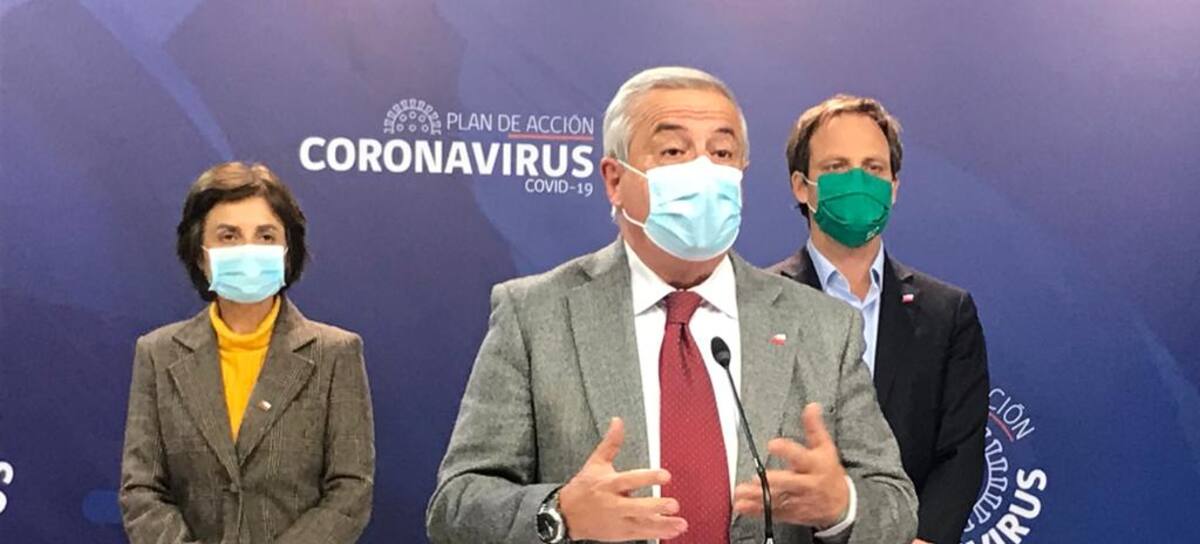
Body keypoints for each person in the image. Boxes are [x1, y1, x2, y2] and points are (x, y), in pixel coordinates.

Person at [427, 67, 916, 544]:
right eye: (674, 151)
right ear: (615, 180)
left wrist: (842, 507)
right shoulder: (535, 315)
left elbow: (895, 503)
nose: (704, 171)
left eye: (722, 152)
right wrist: (560, 513)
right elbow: (456, 506)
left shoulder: (823, 326)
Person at [769, 95, 990, 544]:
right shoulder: (756, 302)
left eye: (873, 168)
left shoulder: (947, 313)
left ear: (893, 186)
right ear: (800, 186)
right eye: (836, 167)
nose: (858, 181)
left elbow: (960, 453)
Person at [119, 162, 375, 543]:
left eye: (266, 236)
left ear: (287, 251)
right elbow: (142, 490)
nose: (249, 250)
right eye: (229, 236)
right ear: (200, 254)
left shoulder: (336, 354)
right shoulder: (158, 354)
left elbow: (350, 490)